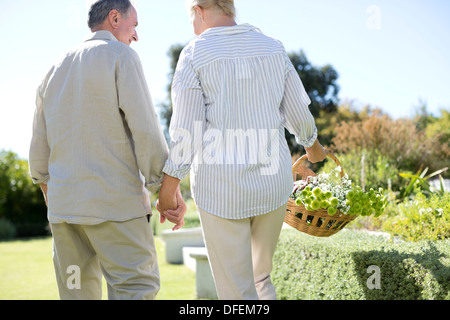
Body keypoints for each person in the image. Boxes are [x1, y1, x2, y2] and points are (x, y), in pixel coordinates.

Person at [159, 0, 327, 300]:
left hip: (220, 190)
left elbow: (187, 133)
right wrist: (314, 148)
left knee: (236, 293)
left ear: (198, 10)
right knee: (261, 279)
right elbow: (299, 114)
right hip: (272, 187)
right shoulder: (273, 48)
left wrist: (167, 190)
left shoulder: (195, 53)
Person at [29, 0, 185, 300]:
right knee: (135, 290)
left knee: (76, 295)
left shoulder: (52, 69)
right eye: (134, 25)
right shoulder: (121, 56)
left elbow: (38, 151)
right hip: (116, 209)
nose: (136, 35)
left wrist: (57, 201)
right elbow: (146, 131)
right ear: (115, 18)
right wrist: (164, 193)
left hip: (65, 217)